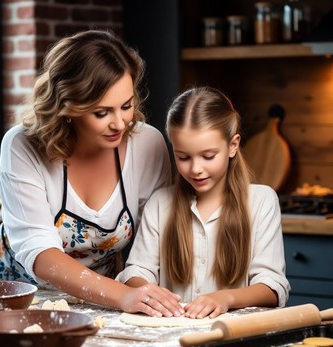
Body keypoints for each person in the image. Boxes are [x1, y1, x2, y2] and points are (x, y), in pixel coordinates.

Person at [0, 30, 184, 318]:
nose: (119, 123)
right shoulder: (22, 145)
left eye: (126, 106)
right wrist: (123, 295)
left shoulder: (147, 144)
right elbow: (40, 254)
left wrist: (143, 292)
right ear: (67, 106)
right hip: (19, 295)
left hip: (102, 298)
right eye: (101, 113)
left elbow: (155, 237)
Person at [116, 86, 290, 319]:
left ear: (233, 145)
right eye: (183, 157)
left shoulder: (261, 201)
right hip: (172, 337)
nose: (196, 169)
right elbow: (137, 271)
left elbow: (272, 286)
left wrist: (226, 298)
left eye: (208, 156)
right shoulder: (160, 203)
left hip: (233, 337)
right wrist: (151, 292)